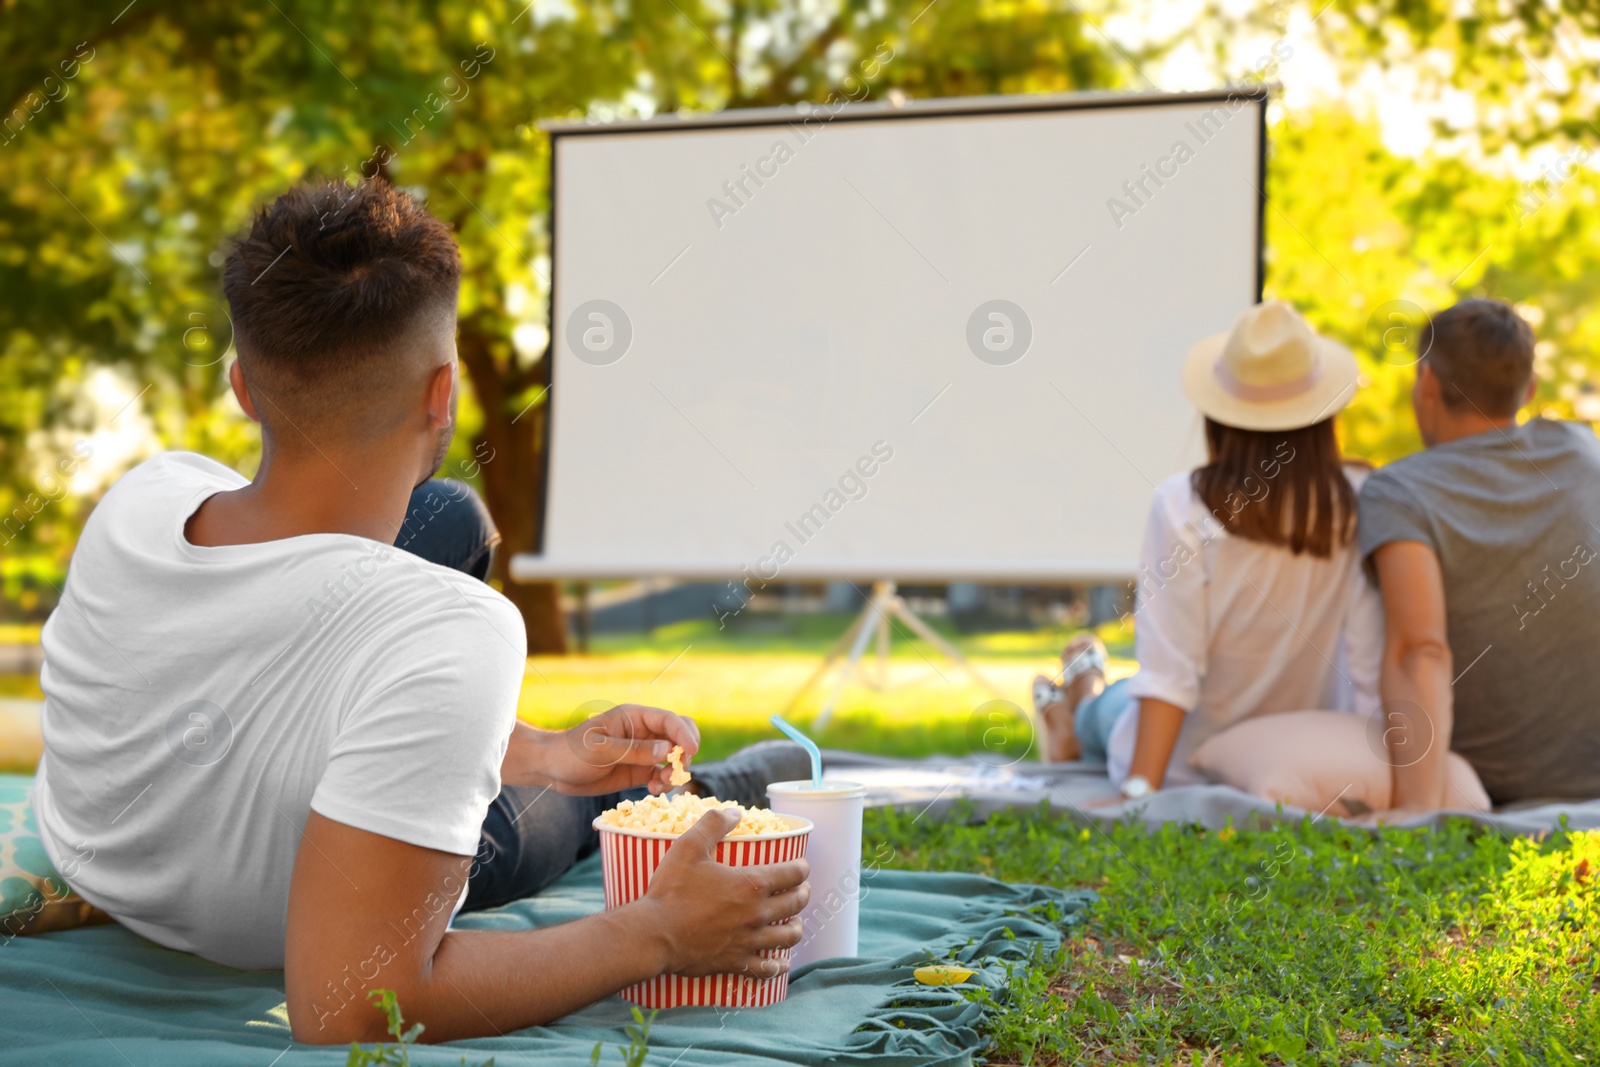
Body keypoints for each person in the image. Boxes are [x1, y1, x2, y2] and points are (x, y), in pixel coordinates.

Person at [31, 178, 810, 1044]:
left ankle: (539, 766)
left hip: (105, 854)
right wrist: (656, 931)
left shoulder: (146, 495)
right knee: (527, 812)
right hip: (293, 895)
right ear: (442, 395)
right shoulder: (457, 631)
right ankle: (677, 797)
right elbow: (350, 1002)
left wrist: (546, 750)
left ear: (243, 387)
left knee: (450, 516)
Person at [1034, 300, 1383, 800]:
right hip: (1301, 753)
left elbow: (1168, 676)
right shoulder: (1362, 499)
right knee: (1120, 701)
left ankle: (1078, 699)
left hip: (1183, 757)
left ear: (1222, 415)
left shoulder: (1183, 504)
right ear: (1323, 416)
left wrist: (1139, 790)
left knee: (1114, 706)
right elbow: (1371, 669)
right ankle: (1082, 690)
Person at [1361, 298, 1600, 812]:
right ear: (1529, 390)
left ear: (1425, 383)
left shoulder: (1398, 490)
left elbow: (1418, 652)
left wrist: (1414, 823)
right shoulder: (1584, 449)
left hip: (1498, 796)